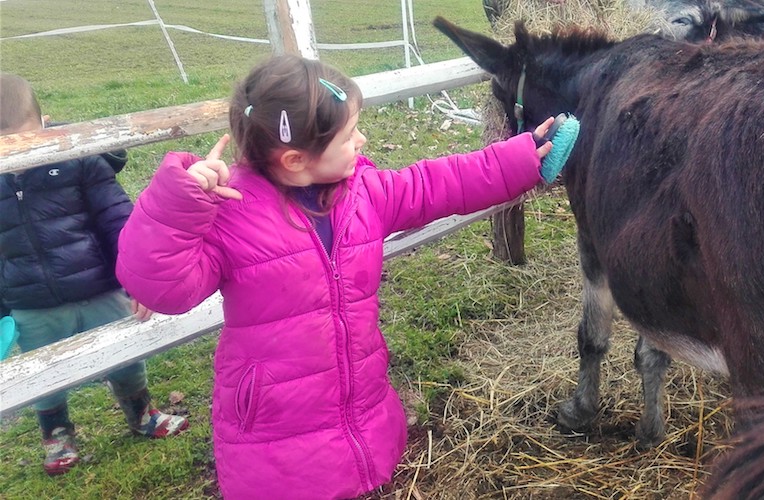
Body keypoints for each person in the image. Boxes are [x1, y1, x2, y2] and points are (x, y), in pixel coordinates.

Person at [115, 54, 559, 499]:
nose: (362, 140)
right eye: (349, 136)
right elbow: (164, 288)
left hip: (357, 402)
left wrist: (518, 159)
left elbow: (437, 184)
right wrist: (180, 201)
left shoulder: (363, 193)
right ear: (295, 159)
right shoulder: (231, 214)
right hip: (274, 425)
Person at [0, 73, 189, 476]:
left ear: (45, 125)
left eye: (23, 144)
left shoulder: (78, 159)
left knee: (124, 357)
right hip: (32, 301)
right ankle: (57, 434)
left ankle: (141, 413)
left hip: (99, 286)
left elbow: (116, 219)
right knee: (44, 373)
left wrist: (135, 279)